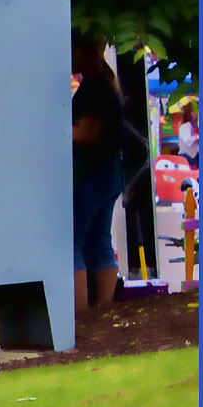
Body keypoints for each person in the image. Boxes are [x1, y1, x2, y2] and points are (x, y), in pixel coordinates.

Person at [71, 39, 125, 311]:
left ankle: (78, 312)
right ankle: (104, 307)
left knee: (71, 241)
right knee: (99, 239)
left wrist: (54, 127)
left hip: (91, 175)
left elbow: (86, 132)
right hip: (110, 172)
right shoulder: (105, 85)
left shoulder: (93, 87)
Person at [177, 102, 198, 169]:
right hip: (187, 156)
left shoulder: (191, 126)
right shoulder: (186, 126)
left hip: (191, 156)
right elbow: (187, 140)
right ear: (191, 112)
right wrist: (197, 137)